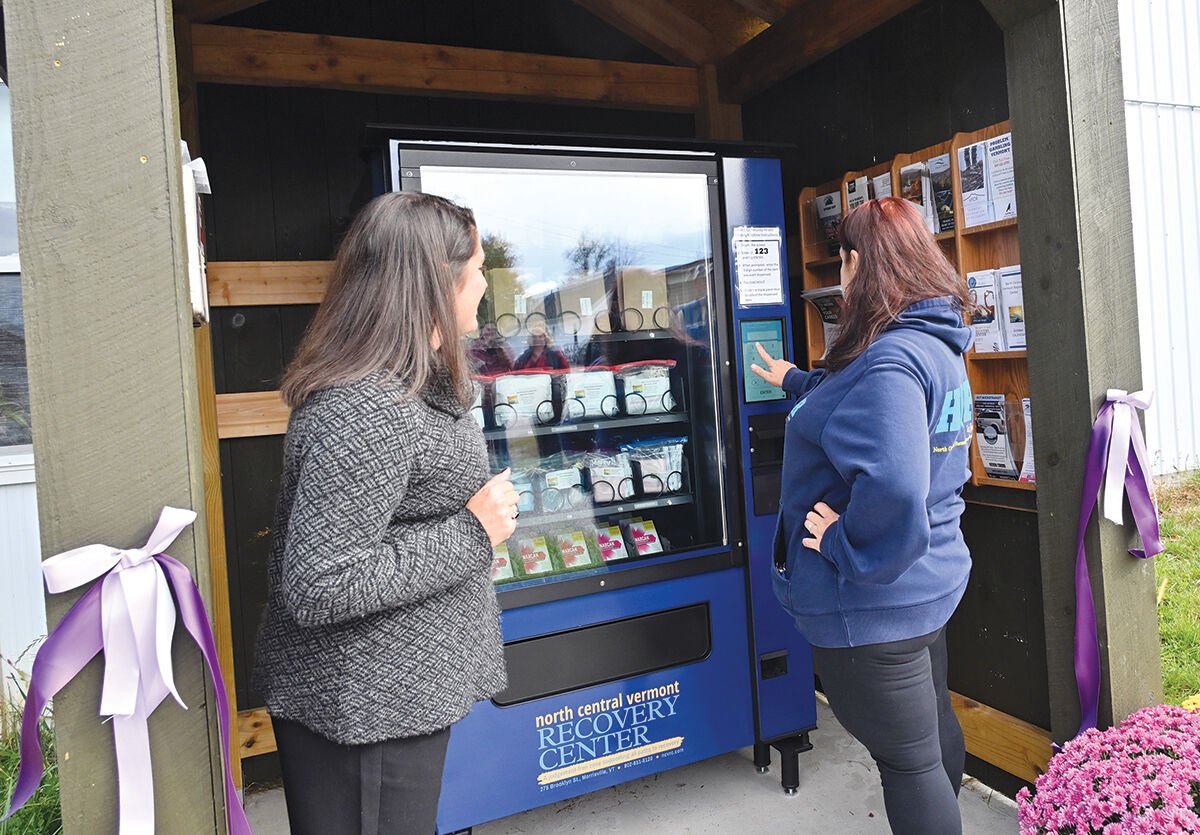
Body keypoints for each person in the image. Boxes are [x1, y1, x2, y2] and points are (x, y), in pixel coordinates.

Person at [254, 191, 519, 834]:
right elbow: (321, 583)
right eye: (479, 265)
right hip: (362, 710)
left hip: (391, 698)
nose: (486, 281)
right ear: (435, 278)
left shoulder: (408, 379)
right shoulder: (364, 408)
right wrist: (472, 531)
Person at [751, 197, 974, 835]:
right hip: (927, 586)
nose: (840, 275)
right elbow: (868, 407)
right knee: (931, 744)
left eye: (843, 260)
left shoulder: (891, 360)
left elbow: (897, 486)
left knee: (910, 767)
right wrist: (796, 380)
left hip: (872, 610)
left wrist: (844, 543)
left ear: (860, 265)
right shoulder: (931, 344)